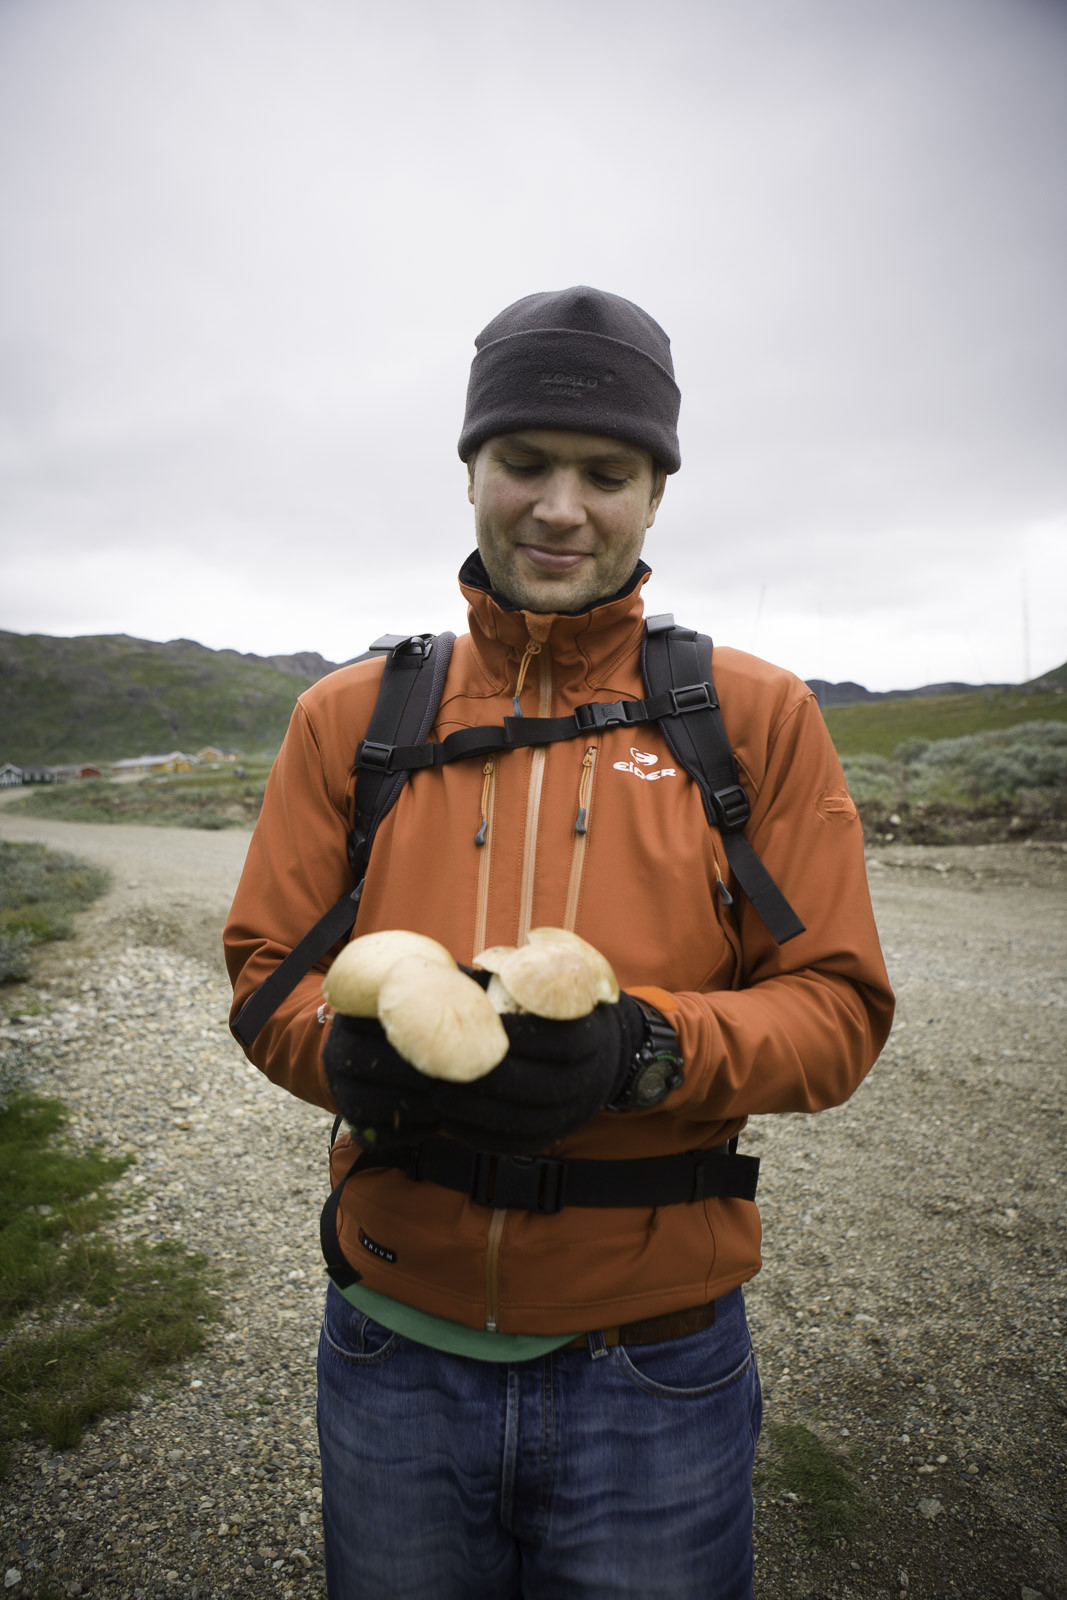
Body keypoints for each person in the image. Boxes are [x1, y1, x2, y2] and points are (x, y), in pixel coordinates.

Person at [224, 286, 894, 1599]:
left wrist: (644, 1049)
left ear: (657, 493)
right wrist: (341, 1056)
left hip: (653, 1369)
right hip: (390, 1351)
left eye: (608, 471)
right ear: (473, 468)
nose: (561, 505)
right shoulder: (349, 719)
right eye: (525, 462)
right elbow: (270, 983)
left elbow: (839, 1007)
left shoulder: (747, 716)